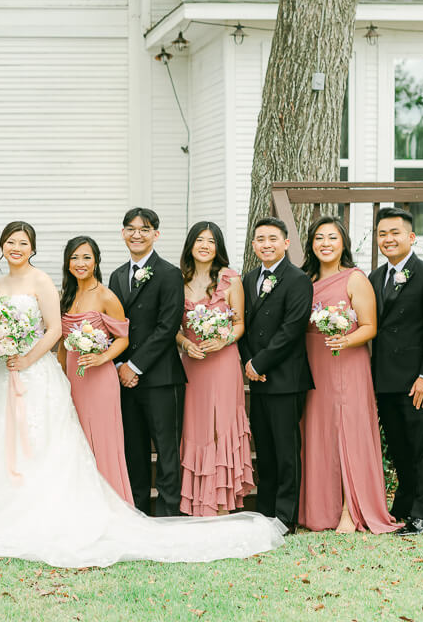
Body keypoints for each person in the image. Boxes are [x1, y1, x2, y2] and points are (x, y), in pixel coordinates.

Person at [0, 221, 286, 567]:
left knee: (121, 444)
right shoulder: (15, 285)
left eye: (23, 242)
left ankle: (159, 513)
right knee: (8, 442)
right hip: (17, 374)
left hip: (97, 371)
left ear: (33, 249)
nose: (16, 247)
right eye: (10, 242)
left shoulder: (79, 282)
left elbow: (78, 329)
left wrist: (94, 360)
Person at [299, 217, 398, 534]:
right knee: (319, 433)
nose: (325, 243)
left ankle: (348, 510)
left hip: (347, 363)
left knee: (346, 433)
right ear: (312, 245)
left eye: (332, 237)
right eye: (319, 237)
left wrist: (345, 339)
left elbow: (370, 327)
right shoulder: (305, 280)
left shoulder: (355, 279)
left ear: (343, 243)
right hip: (315, 364)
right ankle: (319, 509)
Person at [370, 207, 423, 536]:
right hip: (385, 380)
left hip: (418, 380)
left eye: (395, 233)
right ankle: (403, 505)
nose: (388, 239)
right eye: (382, 234)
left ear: (411, 237)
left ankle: (422, 515)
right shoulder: (375, 278)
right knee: (399, 448)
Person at [107, 208, 186, 516]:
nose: (136, 234)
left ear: (156, 234)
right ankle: (137, 511)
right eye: (130, 229)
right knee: (133, 450)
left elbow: (167, 327)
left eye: (144, 229)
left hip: (161, 377)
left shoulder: (169, 273)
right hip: (124, 380)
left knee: (166, 450)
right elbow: (111, 325)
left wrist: (134, 366)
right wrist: (118, 366)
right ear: (123, 233)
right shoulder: (116, 276)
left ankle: (168, 515)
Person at [174, 222, 254, 517]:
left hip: (222, 362)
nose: (205, 245)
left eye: (211, 241)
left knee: (222, 424)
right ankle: (196, 502)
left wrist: (223, 341)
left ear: (218, 246)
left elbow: (239, 324)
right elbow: (175, 329)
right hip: (193, 364)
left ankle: (222, 502)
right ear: (190, 245)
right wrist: (184, 345)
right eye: (199, 240)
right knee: (197, 426)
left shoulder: (230, 279)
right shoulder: (178, 280)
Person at [239, 217, 314, 532]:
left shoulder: (298, 280)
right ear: (254, 245)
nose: (266, 244)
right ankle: (266, 512)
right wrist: (248, 363)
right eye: (260, 239)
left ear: (286, 243)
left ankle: (285, 517)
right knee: (265, 450)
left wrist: (260, 364)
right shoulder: (248, 279)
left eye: (273, 238)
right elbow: (241, 324)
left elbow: (292, 329)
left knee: (286, 451)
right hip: (257, 378)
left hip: (285, 378)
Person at [56, 236, 133, 505]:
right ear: (67, 262)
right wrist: (59, 380)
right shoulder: (65, 296)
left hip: (100, 380)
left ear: (96, 261)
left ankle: (111, 504)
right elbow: (63, 346)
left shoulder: (105, 295)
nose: (80, 263)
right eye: (75, 257)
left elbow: (123, 337)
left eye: (86, 257)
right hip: (73, 381)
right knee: (77, 442)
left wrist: (103, 359)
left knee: (101, 440)